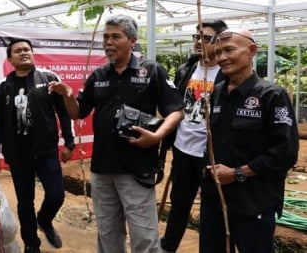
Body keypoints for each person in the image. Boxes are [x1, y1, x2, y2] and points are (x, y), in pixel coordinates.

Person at [48, 14, 184, 253]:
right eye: (105, 37)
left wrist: (157, 136)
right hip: (102, 168)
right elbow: (78, 113)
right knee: (108, 234)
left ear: (132, 41)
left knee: (143, 235)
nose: (108, 42)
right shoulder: (99, 75)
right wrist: (68, 96)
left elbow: (175, 111)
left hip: (137, 167)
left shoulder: (151, 70)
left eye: (115, 37)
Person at [199, 28, 299, 253]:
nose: (222, 57)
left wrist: (237, 173)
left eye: (229, 50)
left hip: (253, 203)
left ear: (251, 51)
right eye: (218, 52)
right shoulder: (216, 93)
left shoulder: (271, 95)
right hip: (215, 201)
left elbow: (286, 152)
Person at [0, 38, 75, 253]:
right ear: (10, 59)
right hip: (18, 155)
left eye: (27, 49)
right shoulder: (4, 85)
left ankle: (44, 220)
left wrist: (69, 142)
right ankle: (31, 243)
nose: (24, 53)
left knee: (56, 195)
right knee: (24, 201)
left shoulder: (48, 79)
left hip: (46, 152)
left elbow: (63, 111)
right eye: (18, 51)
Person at [160, 19, 228, 253]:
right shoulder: (185, 70)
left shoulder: (225, 73)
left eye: (206, 38)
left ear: (218, 41)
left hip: (210, 154)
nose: (199, 42)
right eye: (196, 37)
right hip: (182, 149)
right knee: (179, 203)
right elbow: (176, 107)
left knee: (212, 209)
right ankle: (168, 247)